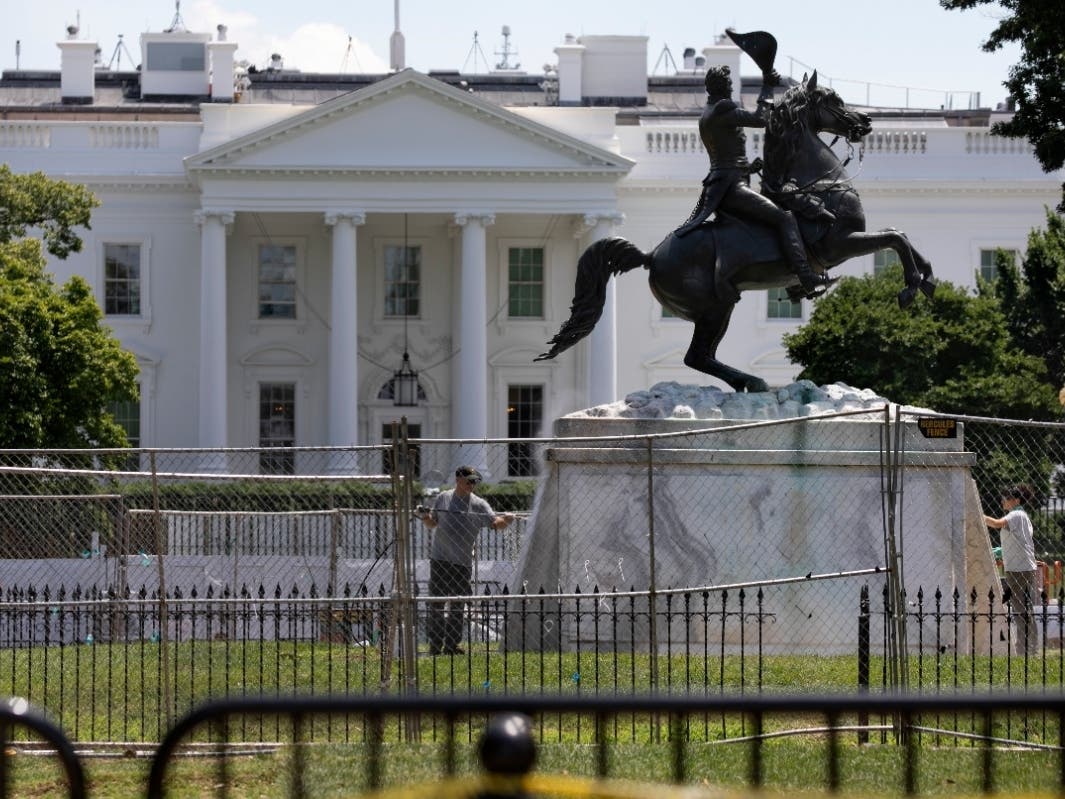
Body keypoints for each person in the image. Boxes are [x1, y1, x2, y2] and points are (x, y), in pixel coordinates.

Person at [675, 64, 833, 299]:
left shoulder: (707, 113)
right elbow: (761, 119)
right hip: (732, 188)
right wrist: (767, 85)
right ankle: (805, 278)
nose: (731, 88)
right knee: (785, 217)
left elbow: (723, 157)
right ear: (723, 87)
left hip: (723, 183)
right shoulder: (722, 109)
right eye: (729, 84)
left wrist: (748, 168)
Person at [417, 466, 515, 655]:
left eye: (474, 481)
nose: (472, 484)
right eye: (469, 480)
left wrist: (508, 519)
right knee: (436, 604)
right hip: (440, 560)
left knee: (458, 605)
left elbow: (495, 524)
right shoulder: (443, 498)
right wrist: (424, 517)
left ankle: (451, 646)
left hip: (462, 563)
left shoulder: (479, 504)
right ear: (458, 479)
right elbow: (432, 523)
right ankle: (435, 645)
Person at [984, 484, 1039, 655]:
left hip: (1019, 569)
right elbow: (1017, 542)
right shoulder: (1020, 516)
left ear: (1016, 500)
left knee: (1021, 609)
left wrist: (976, 513)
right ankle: (1029, 647)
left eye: (1006, 497)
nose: (1002, 500)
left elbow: (996, 523)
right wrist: (998, 552)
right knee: (1022, 608)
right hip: (1021, 567)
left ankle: (1026, 649)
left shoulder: (1016, 515)